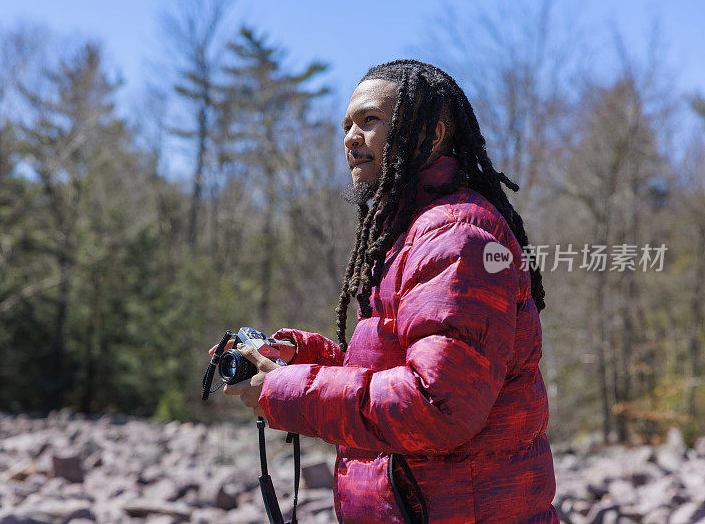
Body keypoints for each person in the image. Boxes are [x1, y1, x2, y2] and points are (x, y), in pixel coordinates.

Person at [220, 60, 558, 523]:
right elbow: (392, 373)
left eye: (370, 120)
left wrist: (288, 391)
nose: (351, 138)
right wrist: (300, 361)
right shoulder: (408, 234)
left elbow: (437, 404)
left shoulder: (458, 237)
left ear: (433, 134)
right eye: (346, 125)